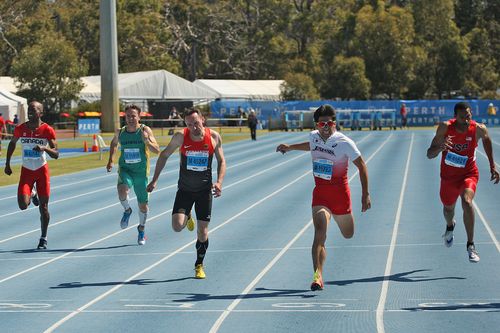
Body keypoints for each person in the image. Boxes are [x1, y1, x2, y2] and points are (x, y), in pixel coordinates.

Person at [276, 104, 371, 291]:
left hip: (341, 197)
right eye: (322, 123)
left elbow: (362, 166)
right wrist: (291, 147)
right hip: (321, 195)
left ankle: (334, 224)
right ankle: (317, 275)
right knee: (320, 233)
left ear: (335, 123)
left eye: (330, 123)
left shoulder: (345, 142)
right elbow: (311, 146)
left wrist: (365, 194)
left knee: (348, 234)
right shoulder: (313, 137)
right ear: (316, 124)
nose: (326, 127)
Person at [147, 108, 226, 279]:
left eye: (196, 123)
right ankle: (187, 215)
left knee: (202, 232)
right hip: (185, 190)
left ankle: (199, 265)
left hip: (204, 191)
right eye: (189, 124)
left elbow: (221, 161)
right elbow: (164, 155)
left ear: (202, 120)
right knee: (176, 227)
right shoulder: (180, 137)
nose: (194, 127)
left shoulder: (213, 137)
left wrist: (219, 182)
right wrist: (154, 180)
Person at [426, 101, 499, 262]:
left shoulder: (479, 129)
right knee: (448, 210)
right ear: (455, 117)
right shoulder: (445, 128)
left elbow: (486, 141)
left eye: (468, 116)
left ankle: (470, 245)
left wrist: (492, 165)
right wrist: (441, 148)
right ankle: (450, 226)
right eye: (462, 117)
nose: (466, 120)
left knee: (467, 202)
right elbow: (429, 154)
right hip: (448, 178)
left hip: (469, 173)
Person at [4, 101, 59, 249]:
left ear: (40, 113)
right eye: (29, 110)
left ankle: (43, 237)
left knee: (44, 207)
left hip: (42, 171)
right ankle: (32, 193)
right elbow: (12, 143)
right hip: (26, 171)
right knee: (23, 205)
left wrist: (44, 148)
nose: (29, 112)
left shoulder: (47, 130)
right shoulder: (21, 128)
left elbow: (56, 154)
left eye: (33, 110)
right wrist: (7, 163)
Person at [106, 104, 160, 245]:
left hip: (141, 173)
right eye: (127, 116)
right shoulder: (120, 131)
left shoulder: (145, 130)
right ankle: (127, 210)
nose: (130, 119)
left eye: (133, 116)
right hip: (126, 169)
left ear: (139, 117)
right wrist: (111, 160)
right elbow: (114, 144)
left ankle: (141, 229)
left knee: (143, 206)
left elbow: (157, 150)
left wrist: (146, 141)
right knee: (122, 190)